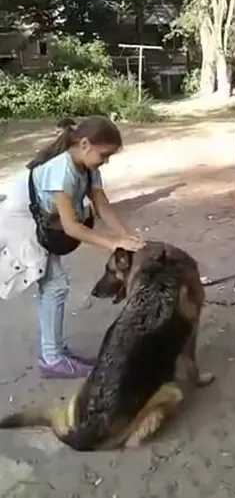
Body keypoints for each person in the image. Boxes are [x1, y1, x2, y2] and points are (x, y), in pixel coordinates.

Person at [0, 116, 146, 378]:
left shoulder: (89, 169)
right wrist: (113, 243)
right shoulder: (62, 170)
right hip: (21, 220)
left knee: (53, 285)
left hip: (43, 219)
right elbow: (72, 227)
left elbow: (102, 205)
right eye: (105, 155)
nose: (106, 161)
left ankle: (54, 352)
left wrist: (127, 237)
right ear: (86, 144)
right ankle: (52, 359)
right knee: (54, 285)